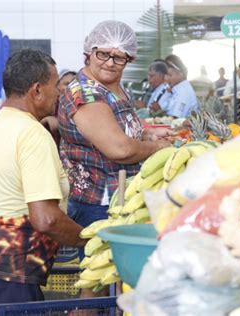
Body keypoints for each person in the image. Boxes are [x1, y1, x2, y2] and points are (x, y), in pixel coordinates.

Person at [0, 49, 85, 316]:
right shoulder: (32, 134)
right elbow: (45, 219)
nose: (59, 95)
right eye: (54, 87)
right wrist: (91, 240)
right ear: (37, 90)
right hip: (9, 279)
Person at [57, 21, 173, 295]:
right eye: (103, 54)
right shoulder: (84, 92)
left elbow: (123, 129)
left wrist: (146, 135)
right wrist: (157, 149)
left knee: (117, 281)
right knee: (97, 281)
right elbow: (119, 149)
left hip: (121, 197)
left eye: (118, 57)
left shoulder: (114, 87)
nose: (110, 62)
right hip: (98, 203)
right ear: (89, 52)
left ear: (128, 58)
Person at [41, 69, 77, 147]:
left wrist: (59, 123)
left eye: (74, 84)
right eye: (67, 84)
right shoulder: (50, 102)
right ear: (57, 86)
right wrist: (46, 120)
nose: (70, 87)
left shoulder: (79, 105)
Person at [157, 54, 199, 118]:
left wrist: (158, 111)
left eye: (169, 75)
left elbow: (175, 119)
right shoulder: (175, 89)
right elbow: (161, 105)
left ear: (180, 74)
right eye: (165, 75)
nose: (166, 78)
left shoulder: (184, 91)